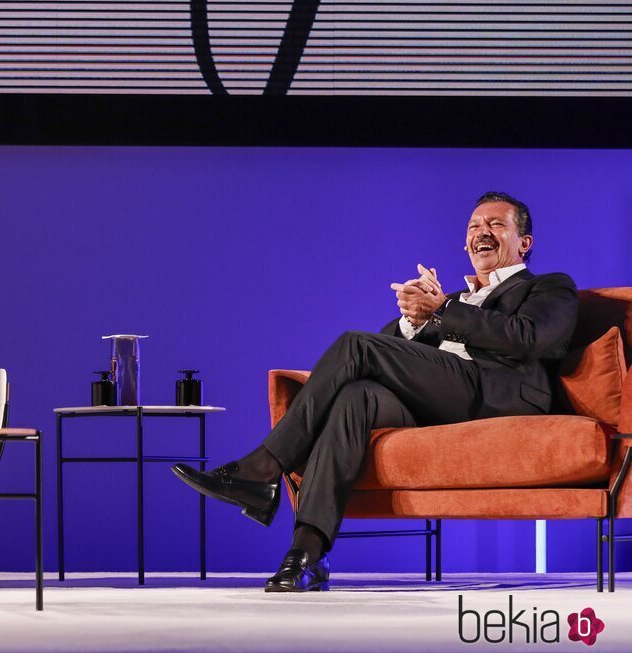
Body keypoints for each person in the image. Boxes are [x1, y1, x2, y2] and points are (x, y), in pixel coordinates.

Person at [173, 192, 579, 592]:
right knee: (356, 398)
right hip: (441, 399)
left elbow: (529, 338)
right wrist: (411, 321)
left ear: (524, 243)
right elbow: (394, 353)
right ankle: (308, 552)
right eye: (474, 226)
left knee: (356, 344)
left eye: (495, 225)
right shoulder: (454, 299)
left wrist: (441, 310)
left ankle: (263, 468)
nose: (481, 233)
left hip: (495, 396)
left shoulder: (549, 287)